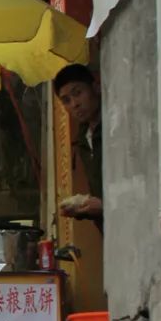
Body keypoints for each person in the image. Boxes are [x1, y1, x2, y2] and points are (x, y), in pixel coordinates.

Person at [54, 63, 103, 232]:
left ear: (95, 87)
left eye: (78, 93)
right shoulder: (83, 139)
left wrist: (105, 206)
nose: (74, 104)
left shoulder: (114, 128)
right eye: (66, 100)